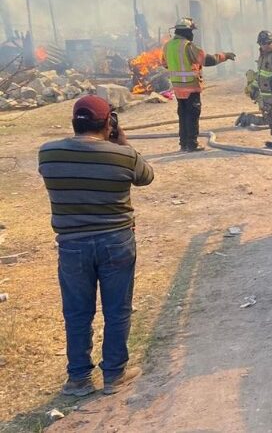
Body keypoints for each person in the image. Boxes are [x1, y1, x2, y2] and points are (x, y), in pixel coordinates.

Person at [38, 95, 155, 397]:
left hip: (72, 246)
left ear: (74, 122)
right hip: (116, 242)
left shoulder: (48, 154)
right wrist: (122, 142)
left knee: (77, 312)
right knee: (117, 309)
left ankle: (78, 379)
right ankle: (115, 374)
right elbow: (146, 177)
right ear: (108, 123)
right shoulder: (123, 156)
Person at [162, 17, 236, 151]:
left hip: (177, 88)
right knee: (192, 114)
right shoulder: (187, 46)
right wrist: (224, 56)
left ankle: (183, 143)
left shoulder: (168, 46)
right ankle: (192, 144)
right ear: (186, 31)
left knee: (183, 114)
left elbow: (165, 64)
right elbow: (207, 60)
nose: (192, 34)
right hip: (190, 87)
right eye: (191, 31)